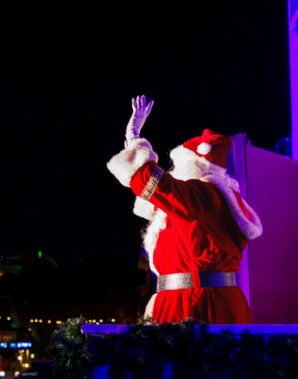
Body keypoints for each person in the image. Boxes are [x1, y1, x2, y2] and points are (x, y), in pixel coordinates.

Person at [107, 95, 263, 323]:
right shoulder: (208, 198)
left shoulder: (204, 195)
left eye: (178, 165)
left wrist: (134, 139)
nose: (173, 170)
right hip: (201, 300)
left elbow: (158, 187)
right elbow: (158, 202)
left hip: (194, 306)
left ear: (192, 166)